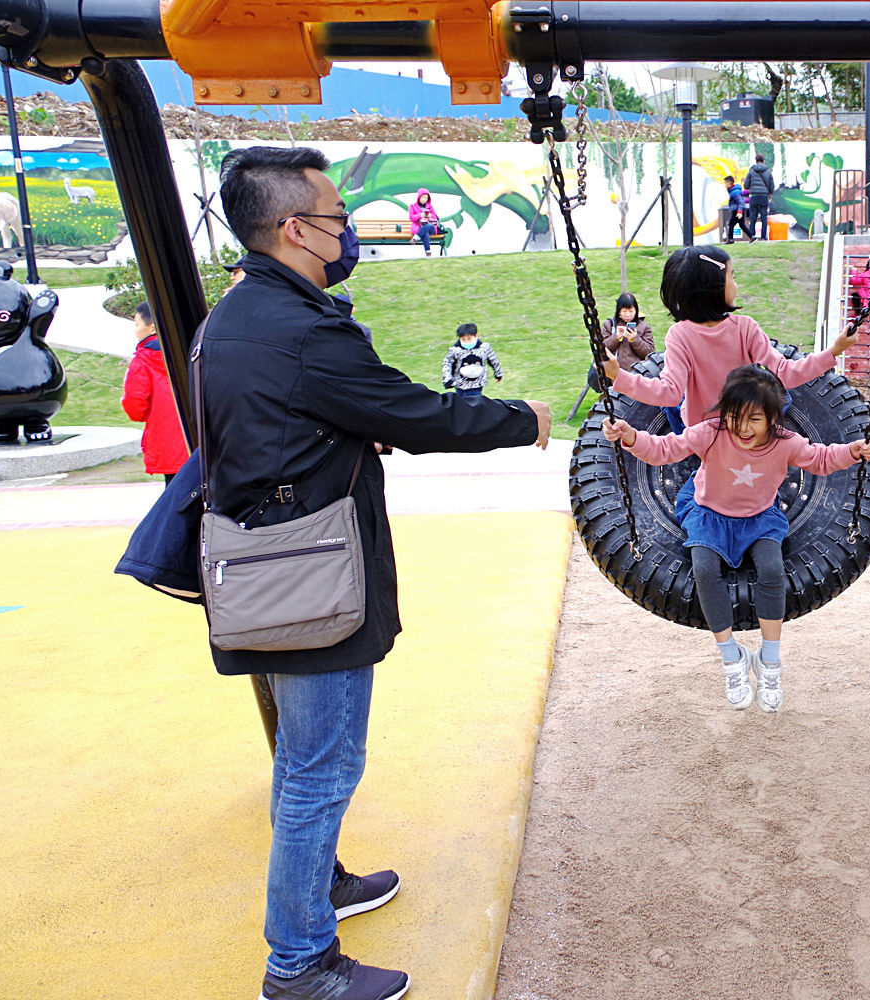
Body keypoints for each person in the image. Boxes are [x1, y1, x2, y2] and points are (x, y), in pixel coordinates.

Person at [208, 145, 551, 1000]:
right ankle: (298, 966)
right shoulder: (300, 331)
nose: (347, 231)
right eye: (335, 217)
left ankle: (316, 890)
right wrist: (522, 420)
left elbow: (294, 422)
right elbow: (417, 410)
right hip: (307, 573)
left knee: (303, 762)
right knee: (321, 770)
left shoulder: (238, 314)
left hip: (270, 562)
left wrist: (346, 429)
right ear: (293, 229)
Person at [601, 366, 870, 713]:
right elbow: (665, 449)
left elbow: (819, 458)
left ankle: (769, 661)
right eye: (734, 416)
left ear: (774, 419)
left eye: (755, 419)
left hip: (759, 518)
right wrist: (630, 435)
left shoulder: (785, 442)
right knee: (703, 569)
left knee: (772, 571)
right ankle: (732, 657)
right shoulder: (712, 432)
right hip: (709, 515)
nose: (743, 428)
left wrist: (852, 450)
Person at [605, 244, 858, 432]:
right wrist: (833, 351)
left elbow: (668, 392)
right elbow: (786, 373)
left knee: (673, 406)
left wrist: (619, 376)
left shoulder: (680, 334)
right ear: (713, 287)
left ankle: (689, 453)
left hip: (704, 434)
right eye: (732, 277)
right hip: (746, 428)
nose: (736, 285)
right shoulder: (745, 327)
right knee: (779, 393)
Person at [120, 301, 189, 485]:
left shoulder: (142, 361)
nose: (135, 331)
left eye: (137, 324)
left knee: (176, 498)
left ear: (152, 327)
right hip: (201, 440)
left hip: (168, 442)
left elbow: (135, 406)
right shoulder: (187, 350)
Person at [441, 322, 503, 397]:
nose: (467, 342)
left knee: (475, 402)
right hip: (460, 385)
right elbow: (447, 363)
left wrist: (498, 374)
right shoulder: (455, 350)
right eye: (463, 340)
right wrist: (447, 379)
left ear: (476, 336)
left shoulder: (484, 348)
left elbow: (494, 361)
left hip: (477, 384)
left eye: (469, 339)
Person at [745, 153, 774, 241]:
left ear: (755, 161)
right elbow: (771, 185)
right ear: (764, 161)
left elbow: (746, 185)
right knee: (763, 217)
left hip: (754, 196)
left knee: (753, 217)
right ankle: (763, 237)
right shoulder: (768, 171)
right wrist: (769, 193)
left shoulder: (751, 170)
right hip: (764, 196)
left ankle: (751, 237)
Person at [407, 187, 441, 256]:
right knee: (425, 232)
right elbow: (411, 217)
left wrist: (430, 215)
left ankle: (415, 238)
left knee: (428, 226)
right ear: (419, 197)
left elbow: (435, 217)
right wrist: (420, 215)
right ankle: (428, 252)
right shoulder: (412, 206)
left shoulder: (430, 206)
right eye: (423, 197)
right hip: (419, 227)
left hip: (431, 227)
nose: (424, 199)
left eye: (426, 198)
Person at [722, 174, 750, 244]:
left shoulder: (735, 192)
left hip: (737, 211)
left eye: (725, 183)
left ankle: (730, 240)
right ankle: (752, 237)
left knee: (731, 225)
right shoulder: (733, 191)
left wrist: (739, 212)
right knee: (741, 225)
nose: (725, 185)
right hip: (737, 210)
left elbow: (740, 202)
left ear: (729, 183)